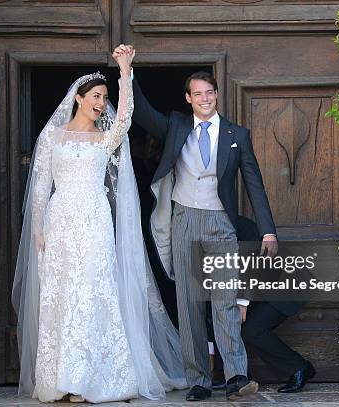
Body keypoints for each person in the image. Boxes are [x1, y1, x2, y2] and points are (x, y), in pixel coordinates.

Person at [11, 47, 186, 403]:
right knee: (61, 296)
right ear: (78, 99)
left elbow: (124, 118)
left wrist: (125, 71)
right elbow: (41, 186)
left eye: (104, 97)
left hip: (94, 221)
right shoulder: (53, 137)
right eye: (95, 96)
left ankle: (89, 378)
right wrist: (38, 231)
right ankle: (61, 380)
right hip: (60, 222)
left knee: (93, 292)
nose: (100, 102)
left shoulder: (104, 139)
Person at [116, 46, 279, 402]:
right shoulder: (175, 126)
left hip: (221, 223)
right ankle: (199, 380)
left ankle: (237, 376)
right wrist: (127, 71)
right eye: (198, 94)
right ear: (189, 99)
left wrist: (267, 230)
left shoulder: (238, 135)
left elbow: (255, 184)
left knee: (224, 302)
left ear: (216, 95)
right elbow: (142, 113)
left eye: (209, 93)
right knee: (190, 305)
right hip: (185, 220)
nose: (205, 99)